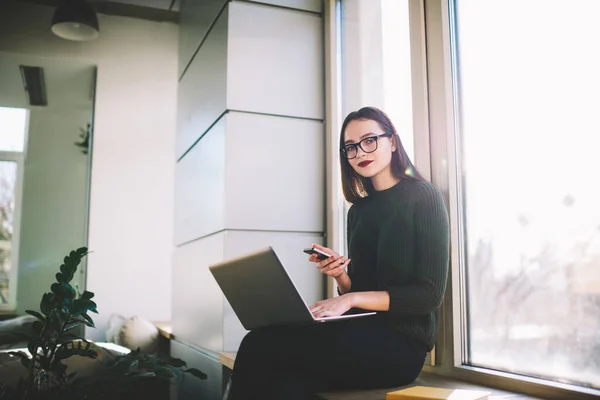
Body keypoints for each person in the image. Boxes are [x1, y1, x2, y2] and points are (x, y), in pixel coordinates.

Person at [227, 106, 450, 399]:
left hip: (401, 347)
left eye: (369, 140)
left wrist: (349, 298)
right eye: (350, 147)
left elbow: (430, 295)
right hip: (360, 332)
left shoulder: (423, 196)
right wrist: (342, 277)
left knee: (260, 344)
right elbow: (359, 293)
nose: (360, 153)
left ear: (392, 142)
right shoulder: (358, 212)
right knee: (288, 383)